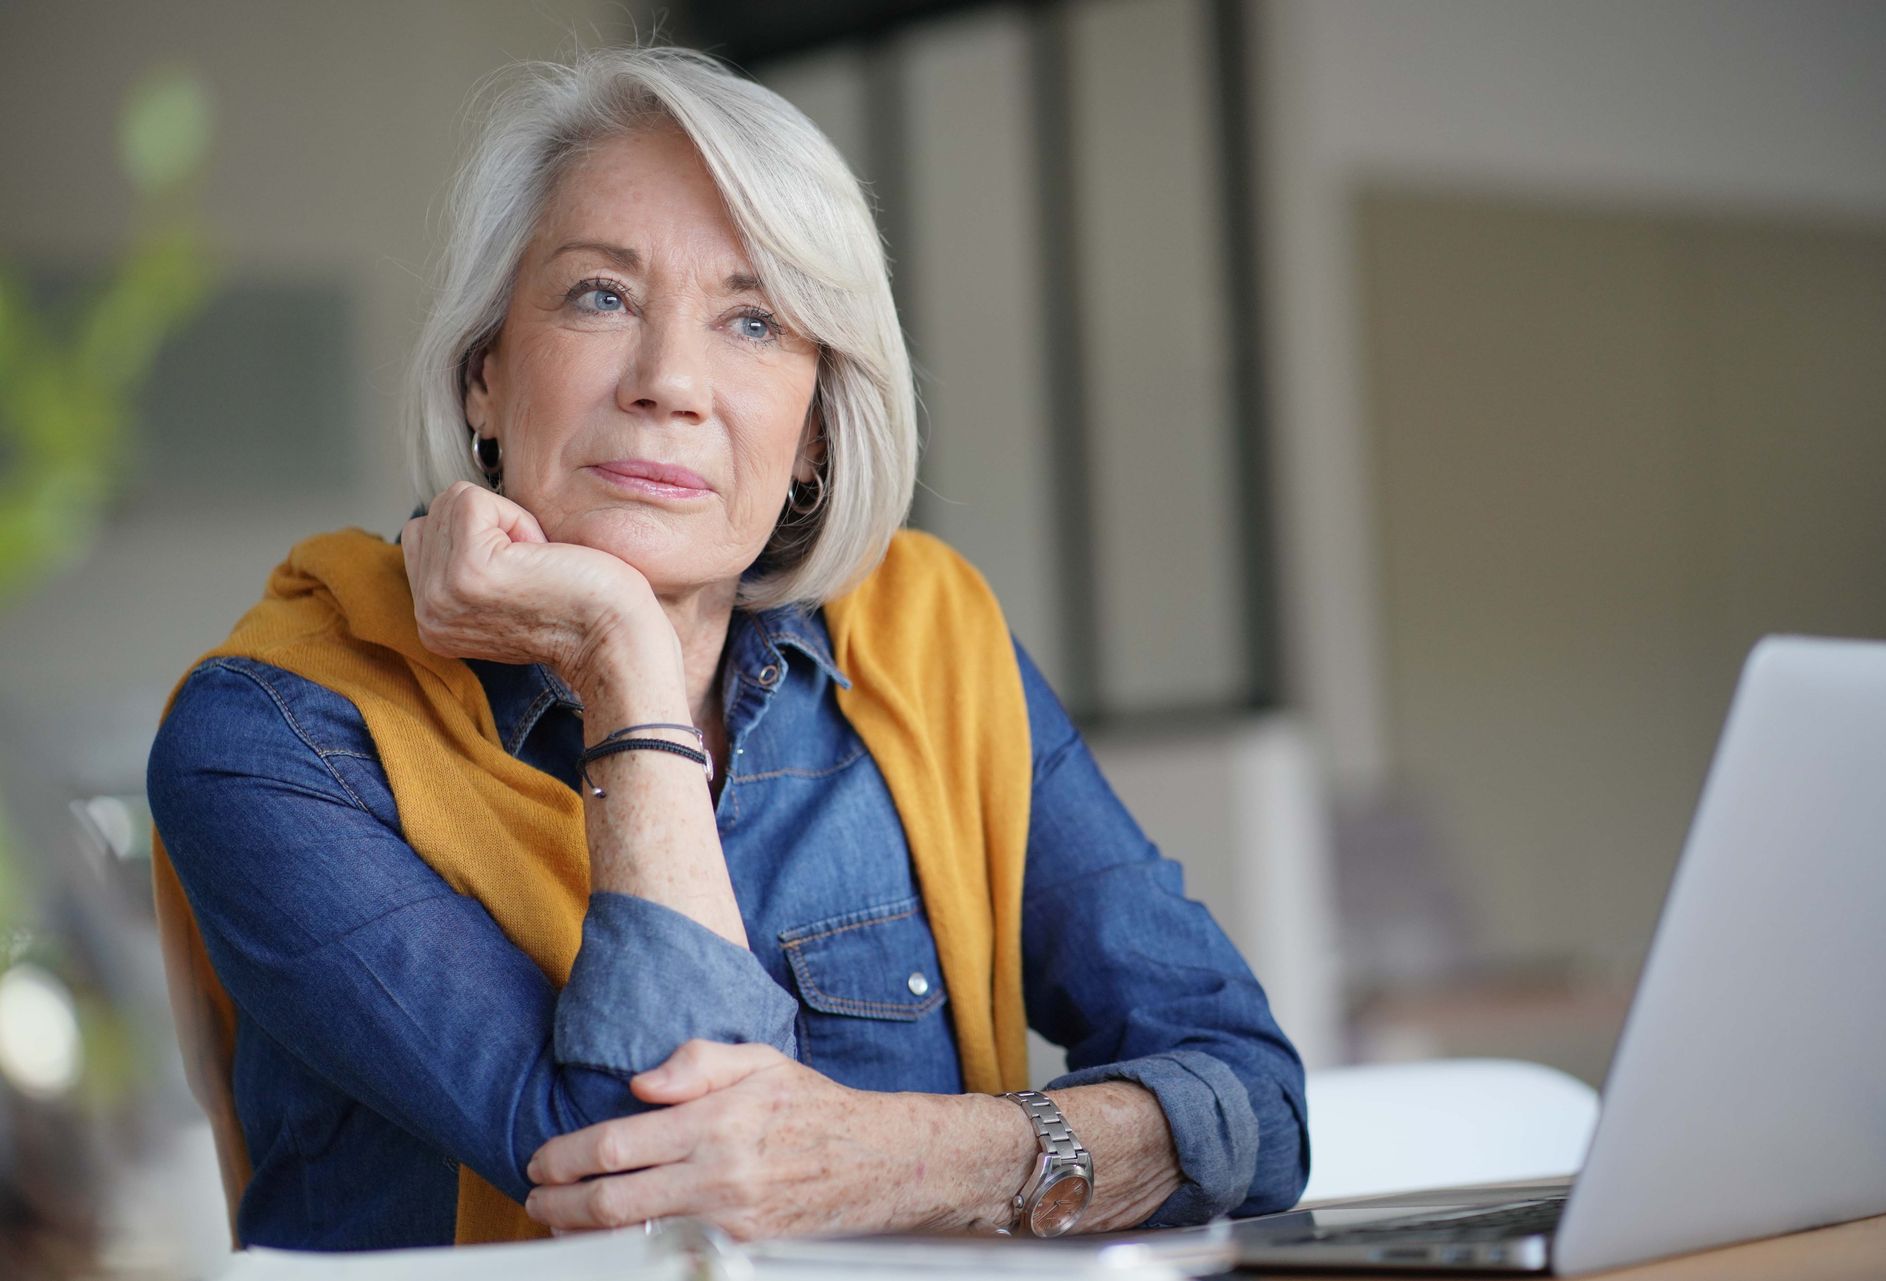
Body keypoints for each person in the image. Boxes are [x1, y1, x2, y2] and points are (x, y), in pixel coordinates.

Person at [145, 46, 1307, 1251]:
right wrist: (622, 658)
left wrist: (922, 1161)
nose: (670, 383)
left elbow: (1255, 1101)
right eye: (601, 295)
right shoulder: (273, 736)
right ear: (484, 374)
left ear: (815, 433)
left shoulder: (932, 643)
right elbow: (659, 1211)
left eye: (753, 320)